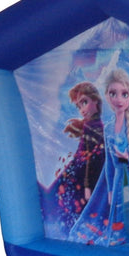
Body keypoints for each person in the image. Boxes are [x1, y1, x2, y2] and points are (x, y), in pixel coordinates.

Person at [68, 70, 129, 247]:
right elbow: (109, 164)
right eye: (113, 94)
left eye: (124, 94)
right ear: (107, 96)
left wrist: (127, 159)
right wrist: (110, 189)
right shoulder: (108, 128)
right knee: (119, 214)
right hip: (118, 181)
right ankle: (122, 240)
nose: (119, 99)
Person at [56, 82, 105, 231]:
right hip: (80, 178)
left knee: (81, 215)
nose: (82, 110)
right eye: (79, 106)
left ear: (95, 100)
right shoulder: (91, 125)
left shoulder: (94, 127)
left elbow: (92, 159)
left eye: (84, 102)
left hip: (84, 180)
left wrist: (87, 186)